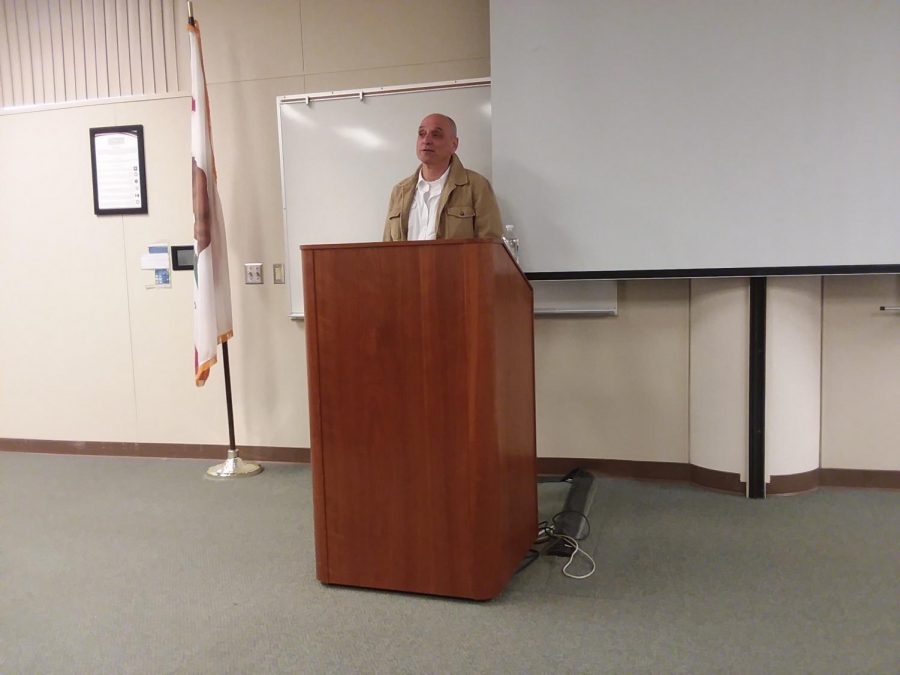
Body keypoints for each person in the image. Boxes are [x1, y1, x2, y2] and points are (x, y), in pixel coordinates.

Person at [383, 113, 502, 241]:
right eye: (421, 133)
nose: (426, 140)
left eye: (436, 135)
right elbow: (386, 249)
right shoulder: (400, 191)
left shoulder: (477, 186)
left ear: (454, 144)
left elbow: (490, 248)